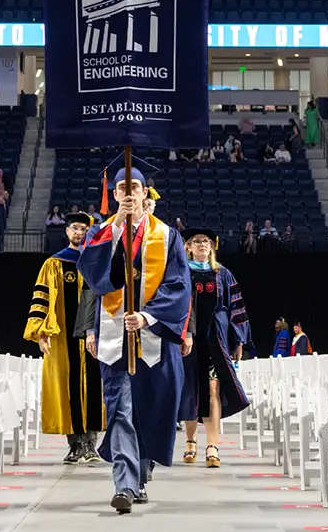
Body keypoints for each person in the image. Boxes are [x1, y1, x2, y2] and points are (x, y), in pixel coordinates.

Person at [78, 165, 189, 513]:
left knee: (149, 409)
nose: (129, 193)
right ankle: (124, 485)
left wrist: (147, 316)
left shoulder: (167, 235)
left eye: (135, 187)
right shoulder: (101, 233)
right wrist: (93, 329)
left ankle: (140, 474)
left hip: (152, 334)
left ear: (145, 193)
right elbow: (94, 279)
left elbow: (179, 285)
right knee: (120, 411)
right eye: (122, 187)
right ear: (115, 195)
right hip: (114, 335)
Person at [25, 213, 105, 464]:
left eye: (84, 228)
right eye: (75, 228)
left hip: (96, 335)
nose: (79, 232)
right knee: (68, 387)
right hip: (64, 335)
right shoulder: (54, 263)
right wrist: (40, 331)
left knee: (95, 386)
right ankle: (74, 445)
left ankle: (91, 444)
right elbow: (42, 298)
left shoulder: (98, 262)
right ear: (67, 231)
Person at [177, 227, 250, 469]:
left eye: (206, 241)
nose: (202, 245)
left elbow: (236, 309)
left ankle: (212, 445)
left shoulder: (223, 274)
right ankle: (189, 442)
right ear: (188, 247)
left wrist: (238, 339)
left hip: (216, 340)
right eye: (196, 241)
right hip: (187, 340)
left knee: (213, 389)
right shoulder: (180, 273)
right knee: (190, 389)